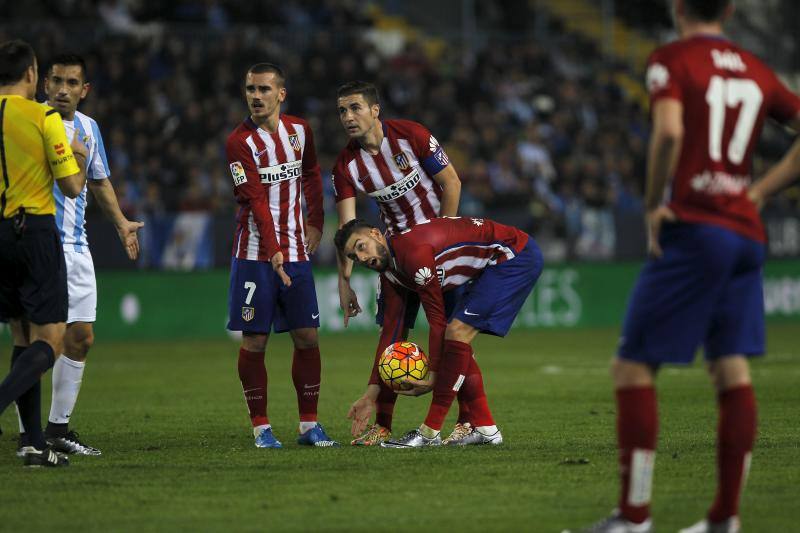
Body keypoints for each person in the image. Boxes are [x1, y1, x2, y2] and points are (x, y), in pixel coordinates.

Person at [572, 1, 800, 532]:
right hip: (745, 233)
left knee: (632, 367)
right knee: (730, 370)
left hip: (697, 228)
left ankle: (634, 517)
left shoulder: (672, 59)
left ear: (678, 5)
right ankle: (724, 519)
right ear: (731, 7)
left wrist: (653, 203)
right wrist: (759, 191)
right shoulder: (755, 67)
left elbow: (670, 131)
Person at [12, 53, 143, 457]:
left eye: (72, 83)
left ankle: (56, 428)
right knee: (37, 341)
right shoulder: (30, 120)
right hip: (38, 244)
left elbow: (99, 182)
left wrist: (121, 223)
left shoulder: (89, 129)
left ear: (84, 90)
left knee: (81, 338)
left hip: (78, 246)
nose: (63, 90)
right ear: (43, 84)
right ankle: (27, 433)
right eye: (56, 81)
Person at [332, 81, 474, 446]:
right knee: (392, 336)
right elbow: (347, 230)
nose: (348, 117)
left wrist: (446, 241)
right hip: (395, 258)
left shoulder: (412, 135)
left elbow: (452, 183)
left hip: (438, 251)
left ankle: (468, 421)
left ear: (375, 110)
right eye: (342, 111)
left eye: (355, 108)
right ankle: (382, 424)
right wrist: (344, 279)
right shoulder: (346, 165)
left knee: (453, 336)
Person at [335, 216, 543, 448]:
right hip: (489, 264)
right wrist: (370, 395)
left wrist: (433, 375)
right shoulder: (389, 271)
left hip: (513, 255)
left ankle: (429, 432)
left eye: (361, 247)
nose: (362, 258)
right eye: (354, 257)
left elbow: (436, 321)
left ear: (376, 234)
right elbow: (391, 333)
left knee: (456, 332)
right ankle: (486, 429)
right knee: (456, 342)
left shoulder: (413, 255)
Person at [225, 62, 337, 448]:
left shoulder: (300, 131)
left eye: (264, 89)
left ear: (281, 94)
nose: (256, 96)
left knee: (307, 336)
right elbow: (255, 200)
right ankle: (261, 428)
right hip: (256, 256)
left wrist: (317, 222)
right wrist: (273, 252)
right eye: (250, 89)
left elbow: (311, 174)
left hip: (296, 254)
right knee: (255, 342)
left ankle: (309, 426)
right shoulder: (239, 142)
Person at [0, 39, 88, 467]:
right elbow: (71, 186)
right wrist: (81, 158)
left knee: (21, 336)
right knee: (50, 340)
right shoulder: (43, 115)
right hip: (33, 230)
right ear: (32, 74)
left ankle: (33, 444)